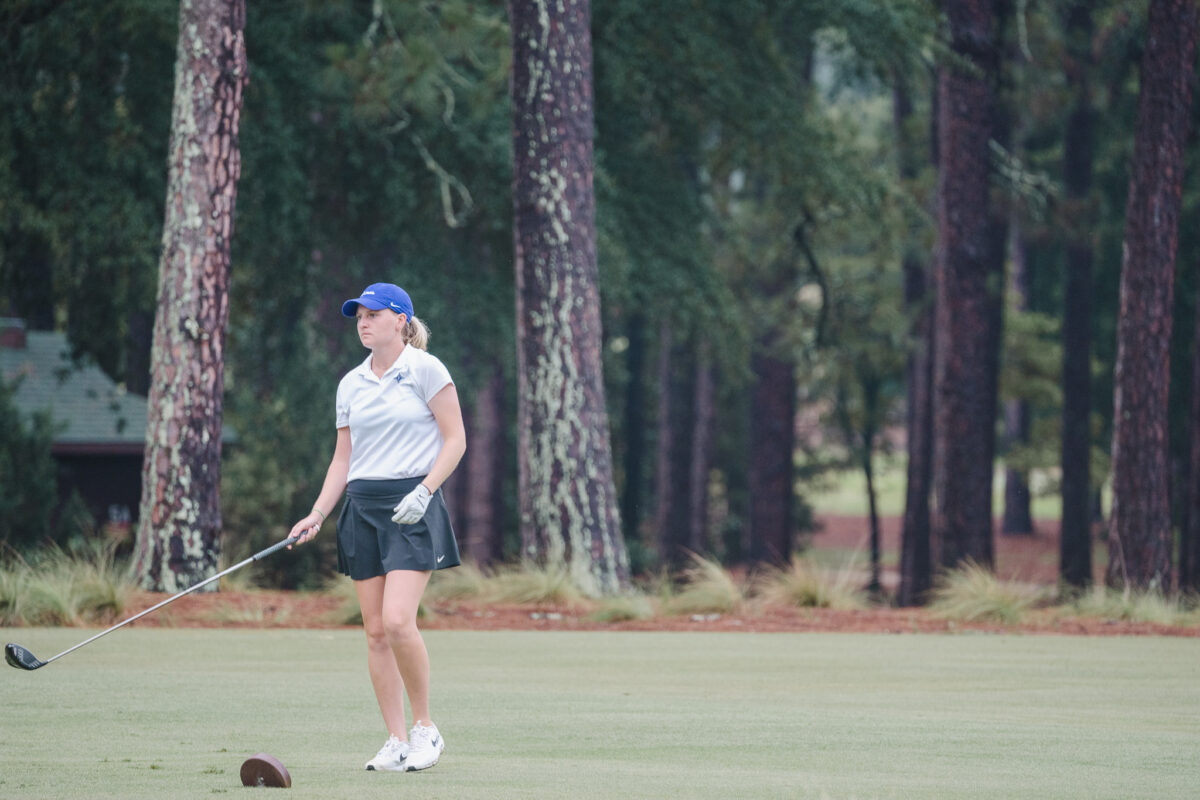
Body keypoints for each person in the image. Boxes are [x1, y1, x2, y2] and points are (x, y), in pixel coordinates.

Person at [288, 282, 466, 773]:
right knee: (373, 633)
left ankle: (426, 730)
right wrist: (318, 513)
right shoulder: (350, 383)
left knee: (396, 620)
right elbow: (343, 459)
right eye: (358, 315)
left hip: (412, 503)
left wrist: (426, 490)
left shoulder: (427, 370)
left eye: (372, 313)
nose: (362, 322)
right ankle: (394, 739)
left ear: (400, 321)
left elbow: (456, 440)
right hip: (362, 508)